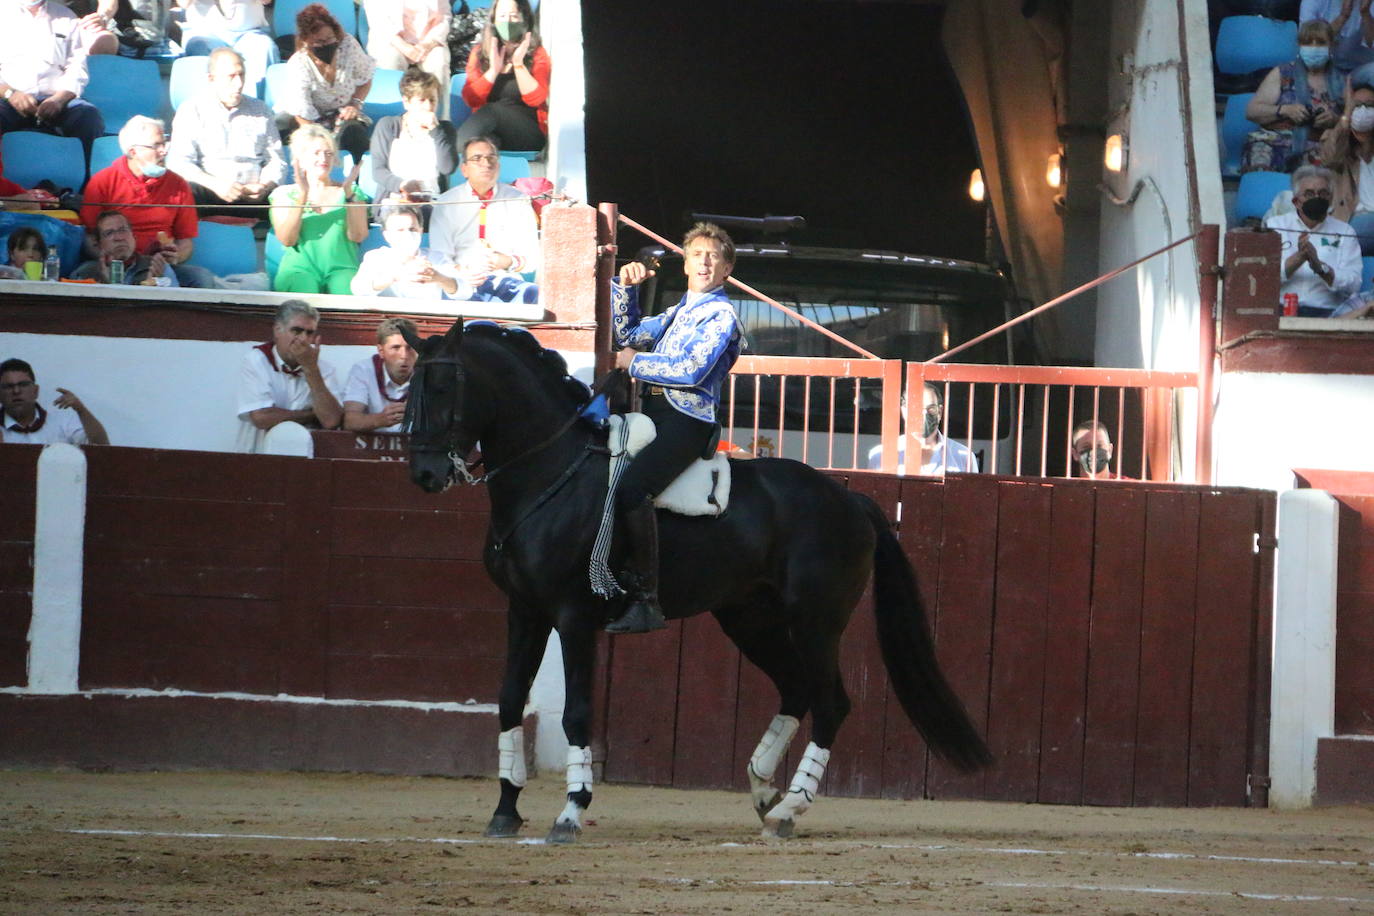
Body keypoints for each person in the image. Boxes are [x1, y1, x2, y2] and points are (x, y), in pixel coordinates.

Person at [606, 222, 744, 635]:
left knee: (633, 489)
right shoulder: (676, 313)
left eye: (713, 256)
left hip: (687, 420)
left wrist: (634, 363)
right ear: (684, 264)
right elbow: (626, 334)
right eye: (697, 254)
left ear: (725, 270)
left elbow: (690, 370)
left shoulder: (722, 315)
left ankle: (646, 599)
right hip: (654, 415)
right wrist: (625, 287)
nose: (704, 261)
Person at [80, 115, 218, 288]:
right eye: (156, 146)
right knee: (83, 274)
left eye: (165, 143)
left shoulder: (178, 184)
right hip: (115, 263)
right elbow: (89, 237)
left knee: (201, 278)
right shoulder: (102, 182)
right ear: (133, 152)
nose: (164, 151)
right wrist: (106, 255)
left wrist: (176, 256)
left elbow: (185, 241)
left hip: (159, 264)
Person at [168, 47, 286, 219]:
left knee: (288, 198)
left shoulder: (260, 109)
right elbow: (179, 163)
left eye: (241, 75)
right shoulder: (192, 110)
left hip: (253, 195)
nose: (238, 83)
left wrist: (265, 185)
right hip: (211, 193)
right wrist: (217, 184)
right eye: (231, 76)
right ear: (212, 79)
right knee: (186, 192)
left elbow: (276, 160)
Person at [428, 136, 539, 303]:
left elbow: (531, 258)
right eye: (477, 158)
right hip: (460, 281)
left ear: (498, 167)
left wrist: (507, 261)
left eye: (491, 158)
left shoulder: (518, 200)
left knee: (534, 295)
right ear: (464, 169)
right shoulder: (447, 202)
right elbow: (439, 256)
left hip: (506, 280)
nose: (486, 164)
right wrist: (461, 272)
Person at [268, 122, 370, 294]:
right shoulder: (283, 194)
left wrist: (349, 196)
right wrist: (302, 197)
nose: (323, 159)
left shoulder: (351, 192)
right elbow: (287, 239)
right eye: (316, 153)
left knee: (345, 291)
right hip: (299, 270)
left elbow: (358, 235)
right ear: (300, 159)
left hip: (342, 268)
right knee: (304, 290)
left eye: (328, 153)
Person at [0, 0, 106, 160]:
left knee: (88, 117)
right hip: (7, 99)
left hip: (56, 101)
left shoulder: (66, 17)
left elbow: (77, 67)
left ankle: (83, 180)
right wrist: (10, 93)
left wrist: (59, 100)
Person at [235, 299, 343, 454]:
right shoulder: (256, 360)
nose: (304, 339)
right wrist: (312, 415)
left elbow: (331, 420)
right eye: (297, 331)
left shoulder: (324, 369)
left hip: (307, 462)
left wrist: (311, 369)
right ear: (277, 330)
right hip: (256, 457)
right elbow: (261, 417)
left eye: (309, 333)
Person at [274, 2, 375, 162]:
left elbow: (366, 78)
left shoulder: (348, 45)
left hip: (341, 113)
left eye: (329, 38)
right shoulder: (299, 64)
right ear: (306, 42)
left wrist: (355, 105)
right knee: (280, 128)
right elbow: (301, 112)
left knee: (354, 133)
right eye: (319, 42)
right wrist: (321, 140)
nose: (326, 44)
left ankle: (354, 177)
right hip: (305, 118)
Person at [1245, 19, 1345, 170]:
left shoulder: (1342, 81)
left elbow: (1352, 119)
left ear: (1332, 45)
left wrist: (1335, 119)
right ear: (1299, 46)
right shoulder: (1283, 73)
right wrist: (1285, 110)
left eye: (1320, 42)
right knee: (1260, 149)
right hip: (1279, 140)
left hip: (1321, 143)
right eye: (1308, 43)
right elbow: (1252, 111)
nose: (1314, 47)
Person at [1265, 164, 1362, 315]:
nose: (1317, 198)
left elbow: (1354, 283)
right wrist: (1299, 258)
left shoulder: (1345, 231)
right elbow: (1263, 277)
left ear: (1330, 199)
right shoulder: (1275, 226)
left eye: (1323, 193)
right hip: (1280, 310)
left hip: (1327, 313)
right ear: (1296, 201)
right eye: (1309, 194)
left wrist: (1321, 268)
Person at [456, 0, 549, 152]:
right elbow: (471, 99)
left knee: (493, 110)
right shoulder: (480, 53)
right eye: (502, 16)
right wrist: (493, 70)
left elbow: (537, 99)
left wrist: (518, 64)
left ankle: (462, 151)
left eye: (514, 16)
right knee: (485, 143)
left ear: (524, 19)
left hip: (527, 133)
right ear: (493, 20)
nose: (507, 21)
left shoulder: (537, 54)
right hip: (491, 130)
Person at [369, 67, 459, 203]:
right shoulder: (387, 126)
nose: (429, 106)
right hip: (395, 199)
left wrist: (436, 131)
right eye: (422, 100)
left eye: (432, 100)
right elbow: (378, 171)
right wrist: (402, 185)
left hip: (431, 201)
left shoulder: (445, 130)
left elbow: (447, 168)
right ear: (407, 102)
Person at [864, 382, 979, 475]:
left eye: (930, 409)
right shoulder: (881, 454)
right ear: (904, 410)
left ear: (940, 412)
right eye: (917, 408)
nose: (924, 414)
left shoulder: (964, 456)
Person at [362, 0, 450, 118]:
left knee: (439, 63)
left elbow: (444, 16)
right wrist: (405, 47)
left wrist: (428, 44)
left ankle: (441, 120)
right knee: (391, 62)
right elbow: (378, 23)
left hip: (428, 40)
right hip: (390, 40)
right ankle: (393, 121)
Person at [350, 204, 461, 298]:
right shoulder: (375, 257)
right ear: (387, 235)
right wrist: (395, 275)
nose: (407, 234)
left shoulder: (436, 257)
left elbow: (463, 291)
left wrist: (438, 277)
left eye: (412, 229)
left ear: (421, 231)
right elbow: (358, 290)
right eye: (400, 230)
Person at [0, 357, 109, 445]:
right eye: (8, 386)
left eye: (23, 385)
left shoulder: (62, 424)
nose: (16, 391)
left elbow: (101, 446)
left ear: (36, 391)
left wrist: (81, 410)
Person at [175, 0, 278, 93]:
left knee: (265, 48)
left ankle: (257, 107)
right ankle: (209, 107)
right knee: (199, 47)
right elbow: (183, 3)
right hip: (205, 33)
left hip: (248, 32)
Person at [342, 316, 418, 433]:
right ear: (381, 351)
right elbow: (350, 421)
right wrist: (380, 420)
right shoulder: (364, 370)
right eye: (396, 348)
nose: (404, 355)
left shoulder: (431, 373)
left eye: (410, 347)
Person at [1317, 65, 1374, 219]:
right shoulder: (1336, 139)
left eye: (1369, 106)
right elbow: (1329, 158)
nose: (1363, 111)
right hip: (1352, 219)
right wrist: (1347, 114)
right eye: (1356, 106)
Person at [71, 209, 178, 285]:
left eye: (123, 230)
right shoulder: (86, 272)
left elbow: (175, 307)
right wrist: (105, 285)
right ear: (99, 244)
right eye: (109, 233)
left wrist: (157, 288)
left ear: (134, 237)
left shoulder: (155, 266)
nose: (118, 237)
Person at [1301, 0, 1374, 72]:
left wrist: (1366, 13)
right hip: (1324, 67)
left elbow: (1371, 43)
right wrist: (1343, 16)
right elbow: (1308, 42)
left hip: (1362, 67)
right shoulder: (1312, 2)